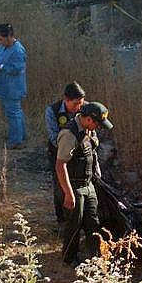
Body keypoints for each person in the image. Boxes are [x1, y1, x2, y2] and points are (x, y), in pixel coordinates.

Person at [57, 102, 113, 268]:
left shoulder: (89, 129)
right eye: (97, 123)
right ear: (88, 119)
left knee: (93, 221)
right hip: (74, 185)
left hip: (88, 183)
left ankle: (97, 256)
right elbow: (60, 165)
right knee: (75, 223)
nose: (98, 127)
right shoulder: (69, 134)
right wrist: (68, 193)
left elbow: (91, 153)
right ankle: (69, 259)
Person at [45, 82, 86, 222]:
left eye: (81, 103)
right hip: (58, 153)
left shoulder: (85, 109)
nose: (78, 107)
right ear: (66, 100)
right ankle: (61, 219)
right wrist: (69, 141)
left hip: (80, 155)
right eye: (75, 104)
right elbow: (54, 138)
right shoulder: (52, 111)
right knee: (60, 185)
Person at [0, 23, 28, 150]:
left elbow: (18, 68)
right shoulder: (3, 47)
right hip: (5, 85)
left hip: (14, 87)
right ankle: (20, 135)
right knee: (15, 111)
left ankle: (16, 141)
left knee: (14, 113)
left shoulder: (18, 50)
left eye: (1, 39)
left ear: (10, 36)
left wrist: (1, 67)